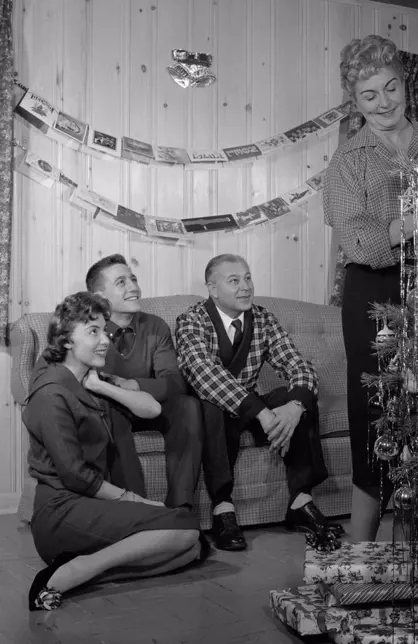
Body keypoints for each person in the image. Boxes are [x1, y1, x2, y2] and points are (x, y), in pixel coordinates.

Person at [23, 292, 205, 612]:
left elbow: (150, 409)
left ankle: (86, 572)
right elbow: (75, 475)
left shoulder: (90, 379)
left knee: (191, 548)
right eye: (92, 332)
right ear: (66, 340)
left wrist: (103, 386)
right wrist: (137, 500)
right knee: (187, 530)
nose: (104, 339)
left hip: (89, 504)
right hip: (61, 512)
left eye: (103, 330)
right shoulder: (51, 393)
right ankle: (76, 570)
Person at [322, 35, 418, 541]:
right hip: (372, 290)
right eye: (370, 95)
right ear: (355, 101)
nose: (385, 102)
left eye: (391, 87)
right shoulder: (348, 161)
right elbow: (359, 239)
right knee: (374, 413)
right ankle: (362, 548)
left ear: (403, 83)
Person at [175, 254, 344, 551]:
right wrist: (262, 413)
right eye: (234, 281)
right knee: (209, 405)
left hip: (250, 408)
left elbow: (298, 365)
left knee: (294, 396)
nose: (245, 287)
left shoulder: (263, 318)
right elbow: (204, 374)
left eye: (248, 278)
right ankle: (222, 508)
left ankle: (300, 502)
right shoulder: (191, 320)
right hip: (213, 412)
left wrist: (294, 407)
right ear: (213, 289)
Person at [85, 254, 215, 513]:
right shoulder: (88, 329)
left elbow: (174, 382)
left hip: (150, 406)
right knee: (110, 411)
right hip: (111, 409)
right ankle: (137, 512)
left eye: (133, 279)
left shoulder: (155, 326)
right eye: (121, 282)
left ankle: (181, 510)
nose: (133, 287)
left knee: (187, 405)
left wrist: (133, 385)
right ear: (100, 298)